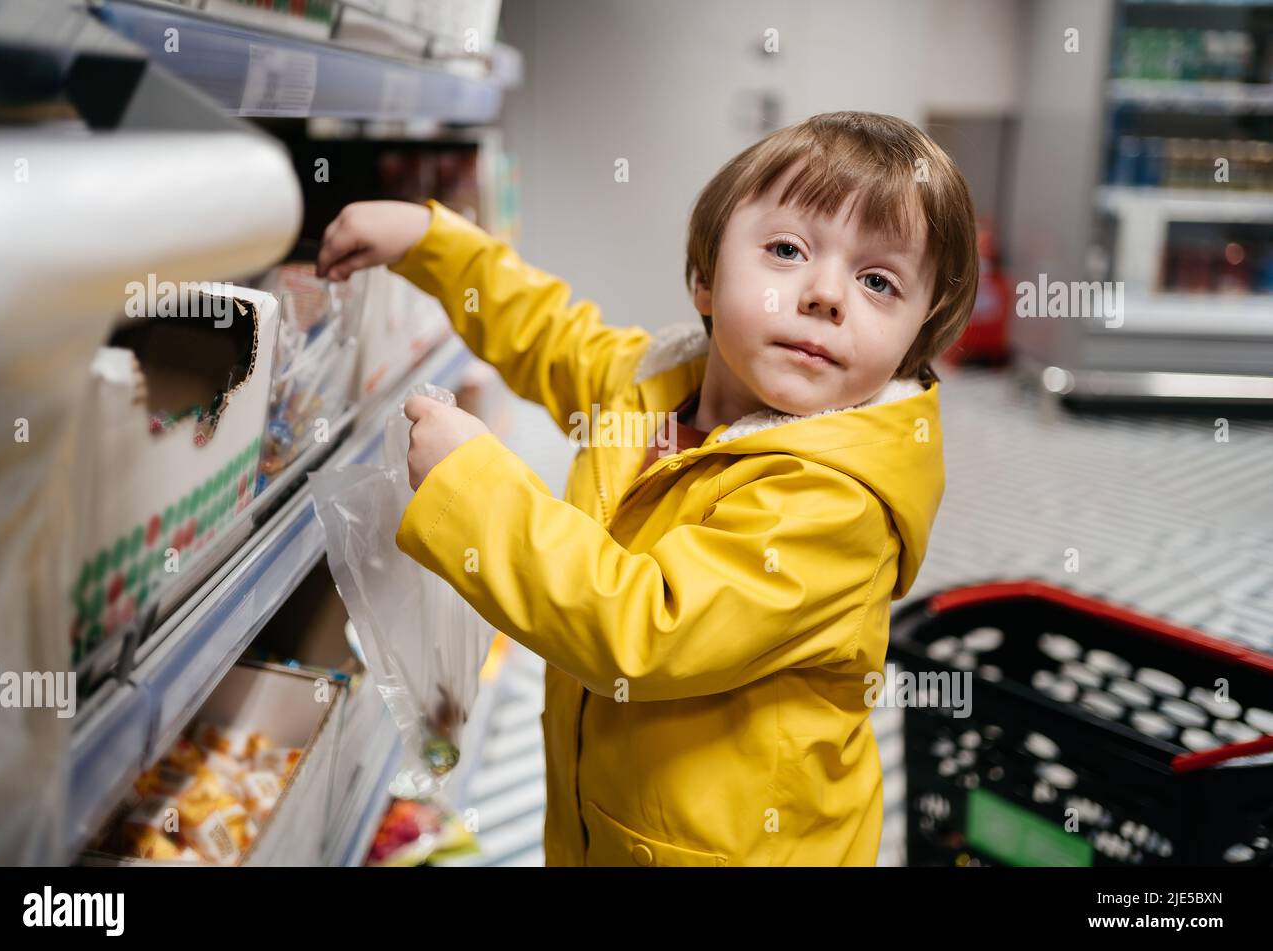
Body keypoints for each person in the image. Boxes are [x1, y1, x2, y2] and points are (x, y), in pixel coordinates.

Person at [317, 111, 978, 866]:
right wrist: (432, 243)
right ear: (704, 277)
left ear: (914, 341)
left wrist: (473, 486)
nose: (828, 294)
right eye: (788, 249)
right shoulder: (654, 383)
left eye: (878, 281)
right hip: (609, 818)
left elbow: (642, 629)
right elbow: (550, 333)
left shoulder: (834, 505)